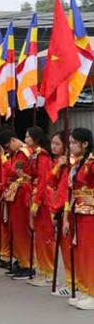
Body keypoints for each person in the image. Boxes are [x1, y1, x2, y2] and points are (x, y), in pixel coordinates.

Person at [0, 128, 33, 279]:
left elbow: (13, 172)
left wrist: (3, 159)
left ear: (13, 140)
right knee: (15, 230)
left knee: (21, 231)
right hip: (14, 193)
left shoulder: (23, 153)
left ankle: (27, 264)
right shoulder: (15, 153)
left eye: (7, 146)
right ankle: (20, 260)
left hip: (21, 193)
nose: (6, 150)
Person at [67, 128, 94, 310]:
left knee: (89, 253)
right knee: (81, 252)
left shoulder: (92, 163)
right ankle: (85, 288)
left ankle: (92, 292)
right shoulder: (78, 163)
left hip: (90, 212)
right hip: (78, 210)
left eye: (73, 143)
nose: (70, 146)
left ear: (84, 144)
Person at [25, 127, 53, 286]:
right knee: (39, 237)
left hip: (43, 198)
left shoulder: (42, 156)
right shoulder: (34, 155)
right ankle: (42, 270)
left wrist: (36, 201)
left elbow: (43, 180)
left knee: (45, 236)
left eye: (28, 137)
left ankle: (49, 272)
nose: (26, 139)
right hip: (37, 195)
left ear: (35, 139)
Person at [48, 132, 72, 297]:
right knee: (66, 248)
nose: (53, 146)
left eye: (57, 143)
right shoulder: (60, 162)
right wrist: (58, 166)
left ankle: (73, 284)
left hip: (67, 209)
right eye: (53, 143)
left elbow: (64, 190)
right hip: (60, 207)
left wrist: (55, 210)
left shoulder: (73, 163)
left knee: (70, 248)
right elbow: (52, 182)